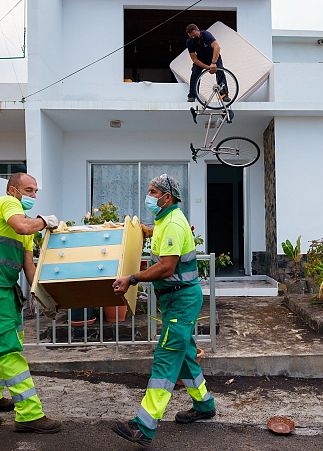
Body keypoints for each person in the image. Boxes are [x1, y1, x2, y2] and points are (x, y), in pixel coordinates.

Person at [111, 174, 216, 447]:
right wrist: (142, 230)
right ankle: (205, 406)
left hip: (180, 300)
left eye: (153, 191)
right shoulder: (165, 221)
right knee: (185, 357)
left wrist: (132, 278)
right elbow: (158, 233)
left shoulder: (172, 223)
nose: (149, 196)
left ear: (166, 197)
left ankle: (144, 426)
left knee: (166, 357)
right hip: (176, 299)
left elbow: (167, 267)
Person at [0, 172, 62, 434]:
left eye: (35, 191)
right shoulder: (6, 204)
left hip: (5, 290)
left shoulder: (27, 225)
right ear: (13, 190)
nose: (33, 195)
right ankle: (29, 414)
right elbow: (21, 225)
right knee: (9, 348)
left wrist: (43, 296)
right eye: (28, 190)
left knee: (7, 344)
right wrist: (43, 221)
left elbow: (28, 267)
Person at [186, 23, 230, 103]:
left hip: (214, 57)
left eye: (194, 35)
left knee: (220, 72)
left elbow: (217, 47)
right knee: (195, 73)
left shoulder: (206, 34)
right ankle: (192, 95)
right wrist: (207, 67)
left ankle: (224, 95)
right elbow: (194, 59)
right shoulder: (190, 42)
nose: (193, 37)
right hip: (201, 59)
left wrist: (213, 63)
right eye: (191, 36)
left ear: (197, 30)